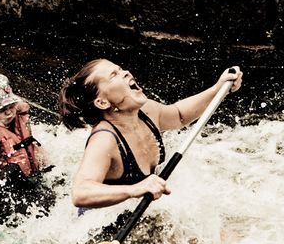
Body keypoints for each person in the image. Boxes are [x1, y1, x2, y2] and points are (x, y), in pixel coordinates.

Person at [58, 59, 243, 209]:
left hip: (142, 213)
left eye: (120, 68)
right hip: (99, 226)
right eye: (113, 75)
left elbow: (179, 116)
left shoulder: (146, 112)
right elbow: (81, 193)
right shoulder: (104, 139)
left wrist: (217, 89)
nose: (125, 73)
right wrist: (134, 189)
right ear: (102, 102)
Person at [0, 74, 56, 228]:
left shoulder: (18, 124)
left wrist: (48, 165)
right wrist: (1, 175)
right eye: (2, 110)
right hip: (13, 187)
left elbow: (32, 145)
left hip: (32, 178)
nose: (9, 112)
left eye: (10, 107)